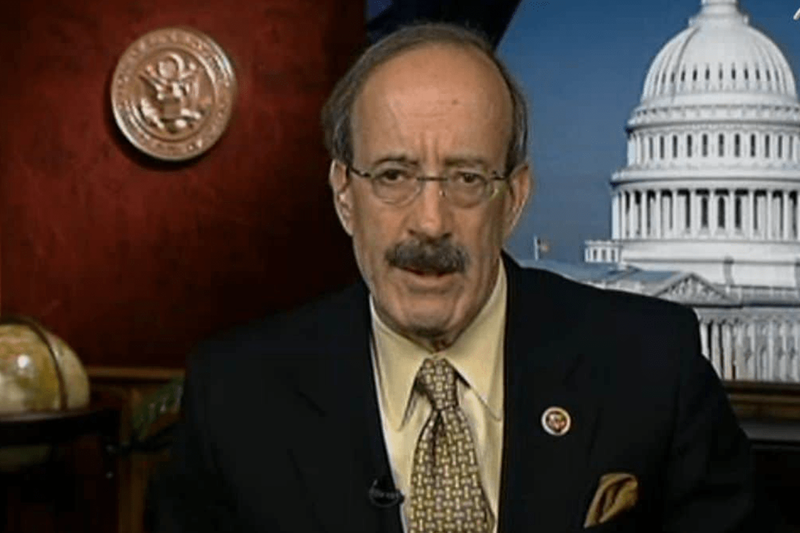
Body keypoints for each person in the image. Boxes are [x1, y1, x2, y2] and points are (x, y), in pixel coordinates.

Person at [150, 22, 775, 533]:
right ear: (344, 194)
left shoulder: (651, 365)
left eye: (467, 178)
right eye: (393, 175)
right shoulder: (237, 396)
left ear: (515, 198)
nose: (430, 221)